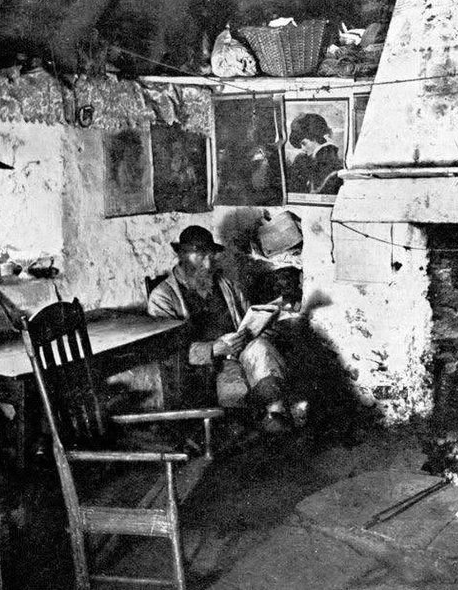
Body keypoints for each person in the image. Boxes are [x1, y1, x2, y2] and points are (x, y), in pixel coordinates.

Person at [147, 225, 298, 434]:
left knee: (262, 347)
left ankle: (275, 414)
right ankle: (271, 420)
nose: (208, 264)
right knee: (243, 386)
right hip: (204, 368)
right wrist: (213, 349)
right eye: (200, 257)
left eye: (211, 256)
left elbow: (247, 316)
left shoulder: (225, 283)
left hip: (239, 352)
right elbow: (167, 350)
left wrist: (261, 326)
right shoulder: (162, 297)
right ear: (181, 255)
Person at [287, 113, 343, 195]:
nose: (303, 149)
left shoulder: (328, 161)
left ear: (315, 137)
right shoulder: (305, 159)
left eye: (304, 143)